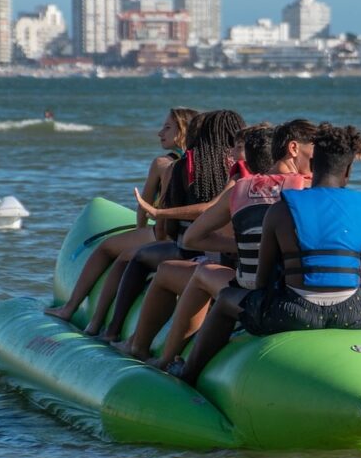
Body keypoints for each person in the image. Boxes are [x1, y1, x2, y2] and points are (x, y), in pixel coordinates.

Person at [173, 124, 361, 386]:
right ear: (348, 171)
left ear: (314, 164)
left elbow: (263, 281)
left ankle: (189, 374)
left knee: (228, 298)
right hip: (353, 312)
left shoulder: (282, 208)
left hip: (293, 314)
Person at [119, 120, 316, 363]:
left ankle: (160, 356)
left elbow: (192, 238)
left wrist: (238, 245)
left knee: (194, 272)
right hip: (311, 291)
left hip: (258, 291)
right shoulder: (312, 189)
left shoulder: (241, 190)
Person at [91, 109, 246, 342]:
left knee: (140, 258)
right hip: (240, 264)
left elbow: (166, 230)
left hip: (196, 254)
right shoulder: (252, 173)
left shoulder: (179, 167)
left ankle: (116, 331)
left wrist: (158, 213)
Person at [44, 107, 198, 325]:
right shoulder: (205, 164)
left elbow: (144, 206)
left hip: (163, 233)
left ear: (183, 131)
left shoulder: (163, 164)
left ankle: (72, 309)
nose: (159, 133)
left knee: (107, 248)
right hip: (191, 236)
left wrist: (139, 232)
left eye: (167, 127)